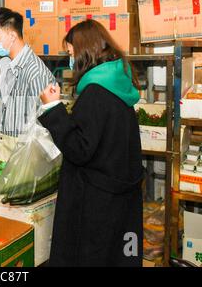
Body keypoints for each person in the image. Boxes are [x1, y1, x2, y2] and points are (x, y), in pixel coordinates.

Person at [38, 19, 143, 267]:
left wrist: (53, 108)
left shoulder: (95, 92)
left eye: (71, 53)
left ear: (85, 52)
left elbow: (80, 149)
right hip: (120, 194)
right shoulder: (118, 84)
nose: (70, 60)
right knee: (120, 255)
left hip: (96, 202)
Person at [0, 7, 56, 162]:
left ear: (12, 35)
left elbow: (49, 124)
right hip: (8, 150)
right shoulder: (7, 66)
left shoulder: (35, 72)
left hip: (27, 156)